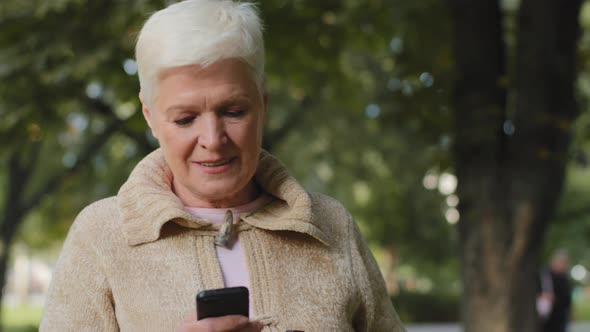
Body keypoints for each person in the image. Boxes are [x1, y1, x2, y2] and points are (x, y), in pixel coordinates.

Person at [39, 0, 406, 331]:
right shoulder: (101, 236)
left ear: (262, 103)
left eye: (233, 111)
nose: (213, 139)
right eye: (184, 119)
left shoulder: (332, 224)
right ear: (149, 116)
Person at [538, 250, 572, 332]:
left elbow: (567, 299)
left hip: (561, 316)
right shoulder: (544, 275)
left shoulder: (564, 278)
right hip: (547, 317)